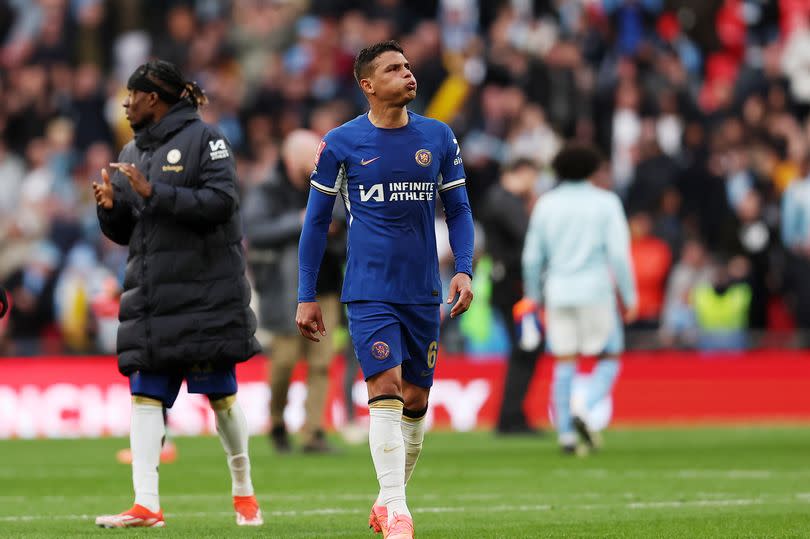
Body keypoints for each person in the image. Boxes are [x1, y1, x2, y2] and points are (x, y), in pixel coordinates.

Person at [296, 41, 474, 539]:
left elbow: (458, 211)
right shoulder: (340, 143)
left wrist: (463, 268)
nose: (408, 74)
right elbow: (315, 223)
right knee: (386, 388)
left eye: (409, 66)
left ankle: (386, 500)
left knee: (417, 402)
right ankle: (398, 512)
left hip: (423, 289)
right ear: (367, 85)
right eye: (394, 69)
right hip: (369, 288)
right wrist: (306, 294)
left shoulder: (438, 137)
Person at [91, 60, 262, 528]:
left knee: (221, 398)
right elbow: (133, 229)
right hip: (151, 296)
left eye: (132, 95)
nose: (125, 104)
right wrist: (111, 211)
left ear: (155, 98)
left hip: (204, 296)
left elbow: (222, 203)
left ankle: (243, 489)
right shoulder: (130, 149)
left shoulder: (208, 140)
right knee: (145, 393)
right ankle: (146, 504)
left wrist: (155, 192)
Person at [522, 143, 637, 455]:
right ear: (593, 170)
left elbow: (532, 257)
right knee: (609, 356)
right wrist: (629, 295)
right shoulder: (606, 202)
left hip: (558, 293)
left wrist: (533, 296)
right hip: (596, 292)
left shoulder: (546, 204)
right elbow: (619, 255)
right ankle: (584, 408)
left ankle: (565, 435)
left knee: (565, 361)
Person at [243, 129, 344, 453]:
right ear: (291, 159)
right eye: (310, 156)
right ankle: (276, 422)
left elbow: (344, 219)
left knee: (321, 364)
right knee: (284, 363)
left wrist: (334, 227)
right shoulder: (267, 191)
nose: (316, 162)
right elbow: (255, 230)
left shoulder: (327, 183)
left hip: (325, 286)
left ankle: (313, 432)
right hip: (287, 290)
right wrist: (302, 221)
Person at [480, 158, 544, 435]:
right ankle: (510, 417)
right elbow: (527, 236)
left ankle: (512, 415)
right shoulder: (505, 200)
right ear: (522, 173)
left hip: (509, 284)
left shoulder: (499, 199)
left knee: (526, 347)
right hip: (512, 286)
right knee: (526, 347)